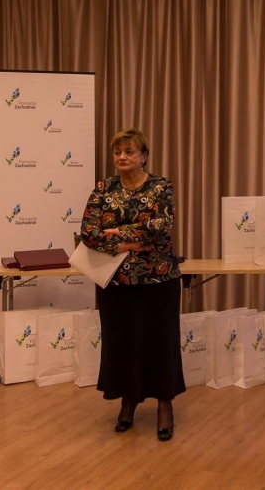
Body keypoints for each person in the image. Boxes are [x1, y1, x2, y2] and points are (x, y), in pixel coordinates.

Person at [79, 128, 184, 442]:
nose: (122, 157)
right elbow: (88, 233)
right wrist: (126, 244)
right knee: (122, 344)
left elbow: (161, 225)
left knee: (160, 343)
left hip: (158, 278)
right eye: (117, 152)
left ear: (144, 156)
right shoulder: (103, 189)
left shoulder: (161, 186)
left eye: (129, 151)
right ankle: (128, 402)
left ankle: (165, 406)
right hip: (116, 281)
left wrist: (116, 231)